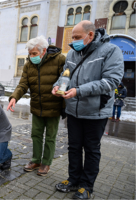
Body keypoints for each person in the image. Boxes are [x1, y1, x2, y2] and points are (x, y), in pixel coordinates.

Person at [52, 21, 124, 199]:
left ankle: (86, 186)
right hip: (73, 110)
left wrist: (79, 91)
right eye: (72, 37)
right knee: (74, 147)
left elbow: (111, 81)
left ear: (90, 35)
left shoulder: (111, 51)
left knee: (91, 149)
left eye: (77, 37)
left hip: (96, 111)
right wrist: (57, 86)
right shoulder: (71, 53)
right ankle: (73, 179)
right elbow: (65, 75)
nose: (73, 41)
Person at [7, 35, 66, 176]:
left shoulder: (59, 60)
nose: (31, 56)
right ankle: (36, 160)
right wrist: (14, 97)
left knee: (50, 136)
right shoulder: (29, 65)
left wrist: (62, 90)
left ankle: (46, 163)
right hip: (37, 105)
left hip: (53, 105)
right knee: (36, 135)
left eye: (34, 53)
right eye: (29, 53)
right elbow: (23, 84)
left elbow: (65, 78)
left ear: (44, 51)